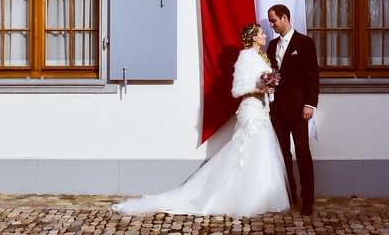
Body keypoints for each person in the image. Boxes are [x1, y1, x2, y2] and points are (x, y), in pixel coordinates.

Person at [112, 23, 290, 217]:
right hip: (251, 111)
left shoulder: (260, 57)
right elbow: (239, 89)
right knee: (246, 152)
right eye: (262, 33)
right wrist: (263, 89)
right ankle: (237, 197)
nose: (265, 35)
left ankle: (261, 196)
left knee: (260, 152)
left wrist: (269, 86)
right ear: (254, 38)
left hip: (262, 110)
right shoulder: (246, 58)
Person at [267, 3, 320, 216]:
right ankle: (290, 195)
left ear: (285, 18)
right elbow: (271, 72)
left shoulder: (304, 43)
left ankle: (308, 199)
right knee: (282, 154)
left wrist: (309, 104)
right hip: (276, 109)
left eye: (273, 20)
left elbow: (312, 77)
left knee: (303, 152)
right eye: (270, 21)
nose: (271, 25)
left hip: (299, 109)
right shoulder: (271, 45)